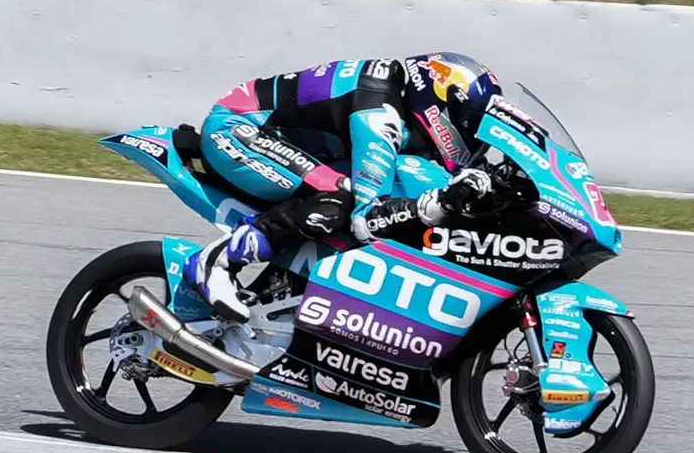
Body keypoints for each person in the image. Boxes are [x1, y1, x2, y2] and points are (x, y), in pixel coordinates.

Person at [181, 54, 511, 323]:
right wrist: (435, 205)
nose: (471, 142)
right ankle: (216, 261)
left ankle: (281, 289)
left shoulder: (398, 107)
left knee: (387, 191)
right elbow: (367, 219)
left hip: (291, 144)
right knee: (339, 198)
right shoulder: (379, 110)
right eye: (469, 128)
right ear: (443, 107)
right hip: (236, 131)